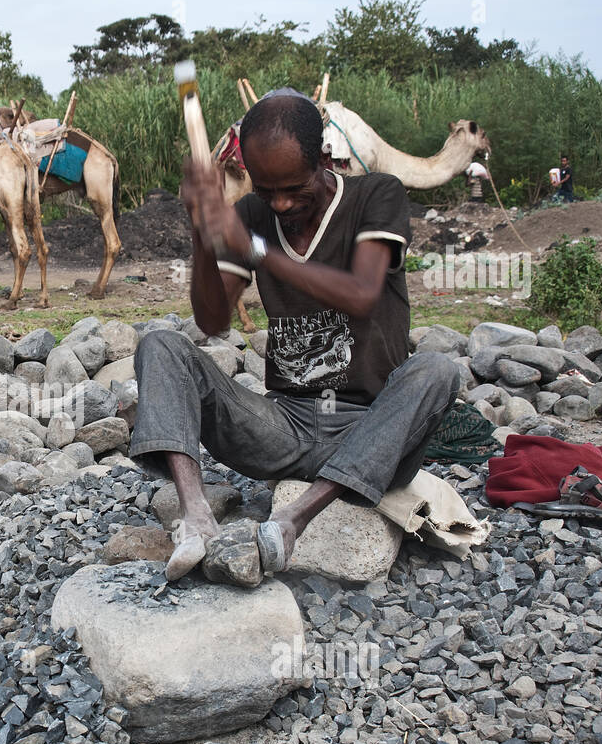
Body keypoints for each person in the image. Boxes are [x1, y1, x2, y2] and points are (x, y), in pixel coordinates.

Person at [129, 88, 457, 583]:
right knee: (161, 345)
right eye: (267, 190)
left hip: (372, 431)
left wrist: (257, 250)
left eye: (295, 189)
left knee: (436, 370)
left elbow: (363, 294)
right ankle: (195, 517)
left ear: (325, 158)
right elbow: (214, 318)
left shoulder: (377, 195)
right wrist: (202, 230)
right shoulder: (253, 217)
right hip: (285, 427)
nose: (280, 204)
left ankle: (290, 520)